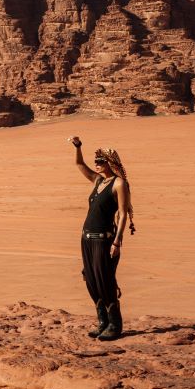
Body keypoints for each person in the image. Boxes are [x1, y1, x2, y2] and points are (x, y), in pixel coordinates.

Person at [67, 136, 135, 340]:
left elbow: (122, 214)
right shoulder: (98, 181)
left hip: (104, 239)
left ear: (110, 162)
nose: (96, 164)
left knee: (105, 280)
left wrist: (117, 241)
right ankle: (102, 322)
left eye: (100, 161)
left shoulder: (119, 184)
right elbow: (79, 164)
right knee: (91, 280)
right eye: (95, 161)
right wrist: (78, 147)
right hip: (87, 238)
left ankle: (115, 324)